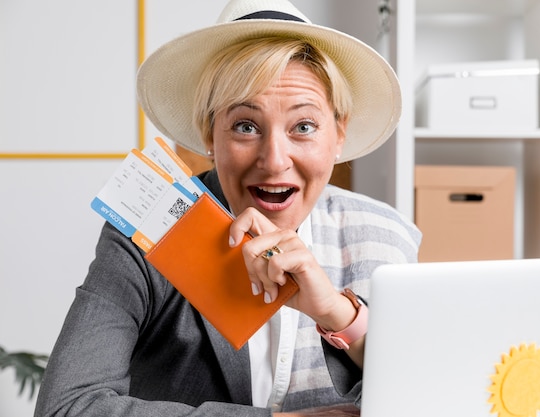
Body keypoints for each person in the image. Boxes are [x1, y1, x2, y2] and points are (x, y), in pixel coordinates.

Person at [34, 0, 421, 416]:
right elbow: (66, 408)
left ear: (338, 134)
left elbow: (430, 392)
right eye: (245, 126)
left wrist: (337, 312)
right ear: (209, 134)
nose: (274, 161)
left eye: (303, 127)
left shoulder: (383, 236)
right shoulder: (150, 230)